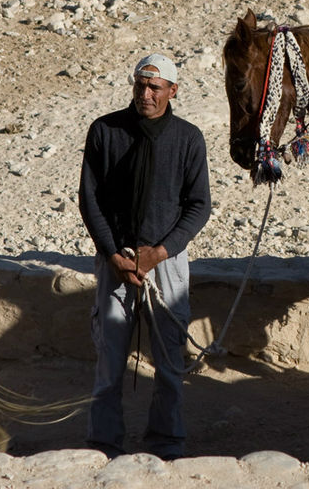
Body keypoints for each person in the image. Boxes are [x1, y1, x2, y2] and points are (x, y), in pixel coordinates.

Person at [79, 53, 211, 459]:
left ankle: (166, 443)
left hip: (165, 264)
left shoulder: (189, 139)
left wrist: (160, 252)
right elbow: (90, 199)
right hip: (116, 261)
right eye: (140, 85)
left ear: (173, 91)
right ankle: (103, 445)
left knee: (170, 365)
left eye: (155, 87)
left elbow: (198, 206)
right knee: (109, 364)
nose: (146, 94)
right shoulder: (105, 131)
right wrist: (114, 255)